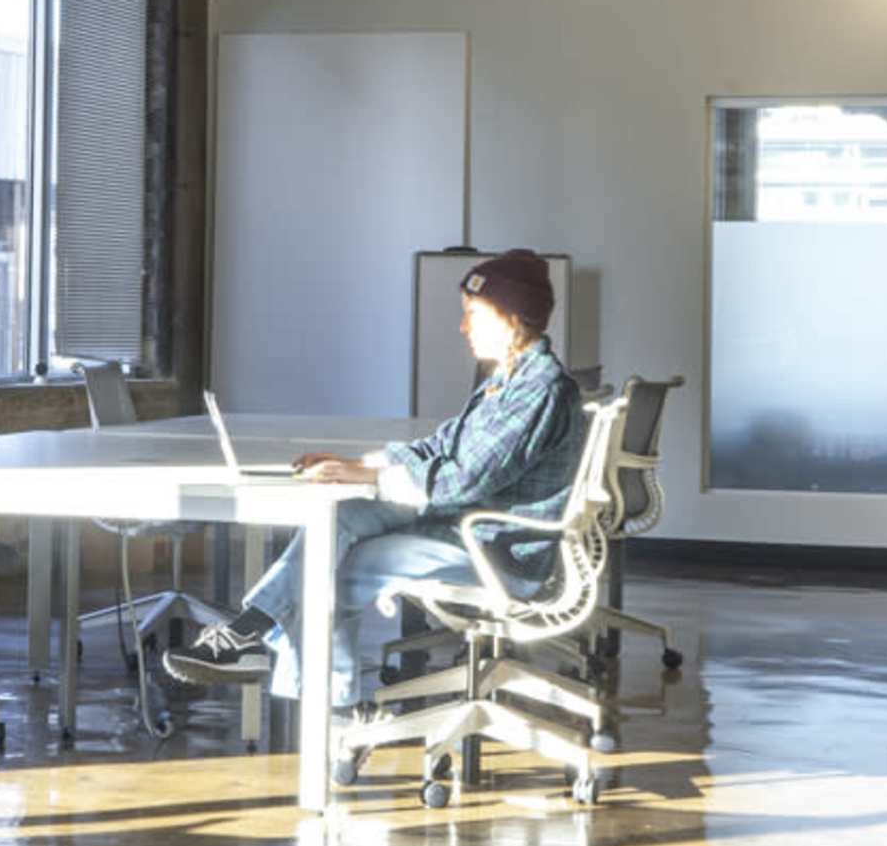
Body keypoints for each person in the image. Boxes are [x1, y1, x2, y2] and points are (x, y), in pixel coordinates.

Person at [170, 249, 584, 695]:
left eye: (473, 314)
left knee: (335, 569)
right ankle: (253, 629)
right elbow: (439, 447)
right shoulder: (507, 379)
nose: (462, 327)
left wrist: (369, 479)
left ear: (512, 317)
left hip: (496, 548)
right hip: (466, 524)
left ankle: (335, 712)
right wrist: (358, 465)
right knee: (343, 519)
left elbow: (460, 480)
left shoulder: (538, 388)